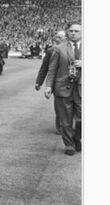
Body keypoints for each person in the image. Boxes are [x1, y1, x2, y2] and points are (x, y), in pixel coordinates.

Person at [44, 23, 82, 155]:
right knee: (66, 120)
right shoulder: (59, 49)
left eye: (76, 31)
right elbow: (52, 68)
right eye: (71, 31)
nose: (73, 33)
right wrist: (48, 86)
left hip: (81, 89)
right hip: (63, 88)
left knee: (81, 119)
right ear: (67, 32)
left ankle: (76, 137)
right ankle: (69, 145)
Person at [35, 29, 66, 136]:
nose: (57, 39)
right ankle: (60, 128)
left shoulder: (76, 50)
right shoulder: (51, 50)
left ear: (66, 38)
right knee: (59, 107)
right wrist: (39, 82)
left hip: (72, 83)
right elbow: (44, 68)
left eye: (60, 38)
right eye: (56, 37)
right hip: (57, 83)